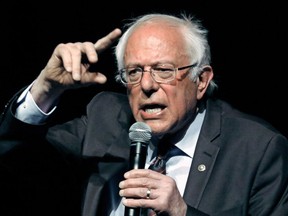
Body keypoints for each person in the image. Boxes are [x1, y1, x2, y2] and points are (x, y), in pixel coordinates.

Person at [0, 12, 288, 216]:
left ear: (201, 81)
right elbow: (16, 158)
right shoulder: (107, 117)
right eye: (134, 72)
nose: (147, 85)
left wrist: (182, 212)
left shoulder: (258, 148)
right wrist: (46, 88)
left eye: (164, 70)